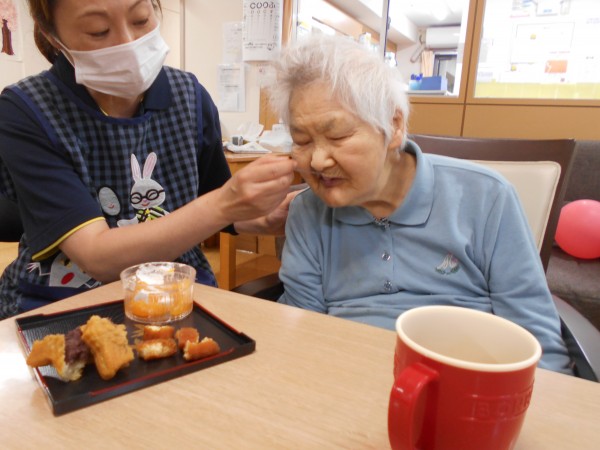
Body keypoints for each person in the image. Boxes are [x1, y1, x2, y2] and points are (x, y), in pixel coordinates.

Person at [269, 34, 572, 374]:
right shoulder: (307, 211)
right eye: (302, 141)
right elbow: (303, 331)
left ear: (394, 125)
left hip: (468, 381)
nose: (318, 161)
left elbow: (536, 339)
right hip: (343, 378)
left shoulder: (488, 197)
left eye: (338, 136)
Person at [0, 0, 296, 318]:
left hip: (174, 292)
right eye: (98, 31)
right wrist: (226, 203)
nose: (128, 43)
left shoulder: (189, 96)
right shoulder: (27, 110)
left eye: (140, 20)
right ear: (53, 36)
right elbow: (96, 256)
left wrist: (263, 217)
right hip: (61, 302)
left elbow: (214, 203)